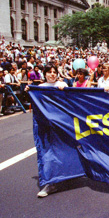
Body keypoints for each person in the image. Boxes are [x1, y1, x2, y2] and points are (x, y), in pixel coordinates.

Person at [25, 64, 68, 198]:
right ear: (45, 74)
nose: (52, 74)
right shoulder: (40, 88)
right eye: (49, 72)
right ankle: (50, 183)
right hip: (45, 125)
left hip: (61, 125)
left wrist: (64, 89)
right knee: (47, 152)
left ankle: (67, 174)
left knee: (63, 151)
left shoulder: (62, 84)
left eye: (54, 72)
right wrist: (28, 90)